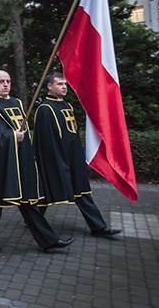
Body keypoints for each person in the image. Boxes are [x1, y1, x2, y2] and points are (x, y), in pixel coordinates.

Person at [0, 70, 74, 253]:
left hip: (20, 161)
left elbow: (25, 133)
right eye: (1, 81)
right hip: (0, 163)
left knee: (28, 203)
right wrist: (12, 136)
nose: (5, 84)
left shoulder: (17, 103)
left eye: (8, 81)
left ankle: (48, 241)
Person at [33, 72, 122, 238]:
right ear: (50, 87)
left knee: (82, 191)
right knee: (47, 190)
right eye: (59, 84)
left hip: (74, 158)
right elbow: (47, 142)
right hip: (59, 160)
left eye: (65, 84)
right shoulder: (45, 109)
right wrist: (59, 162)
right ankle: (33, 219)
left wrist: (79, 155)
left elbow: (73, 135)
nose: (64, 87)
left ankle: (98, 227)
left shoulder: (67, 106)